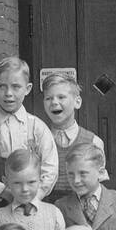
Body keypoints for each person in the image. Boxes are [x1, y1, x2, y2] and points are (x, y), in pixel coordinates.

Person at [0, 55, 58, 205]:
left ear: (27, 89)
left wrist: (36, 195)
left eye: (16, 86)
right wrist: (3, 192)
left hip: (33, 201)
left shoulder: (37, 127)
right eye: (2, 86)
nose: (8, 93)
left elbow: (50, 168)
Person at [39, 71, 106, 201]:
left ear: (77, 102)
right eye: (48, 98)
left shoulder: (93, 142)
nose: (54, 102)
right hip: (47, 209)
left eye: (61, 97)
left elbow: (98, 187)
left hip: (81, 209)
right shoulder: (38, 140)